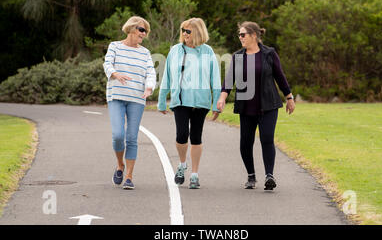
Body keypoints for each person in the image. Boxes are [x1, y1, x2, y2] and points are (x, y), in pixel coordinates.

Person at [217, 21, 295, 191]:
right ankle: (251, 176)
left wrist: (289, 97)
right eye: (239, 35)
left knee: (267, 138)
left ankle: (269, 175)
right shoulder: (238, 56)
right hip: (246, 107)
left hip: (268, 105)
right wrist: (222, 98)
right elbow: (229, 81)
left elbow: (280, 76)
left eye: (243, 34)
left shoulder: (269, 54)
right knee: (245, 142)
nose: (240, 38)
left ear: (254, 35)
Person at [158, 17, 221, 189]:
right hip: (180, 100)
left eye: (188, 31)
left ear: (198, 32)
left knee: (196, 137)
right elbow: (167, 77)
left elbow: (215, 79)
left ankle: (194, 174)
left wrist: (216, 104)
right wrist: (162, 100)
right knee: (181, 135)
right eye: (183, 30)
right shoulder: (175, 51)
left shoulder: (208, 52)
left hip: (201, 101)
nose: (184, 34)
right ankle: (182, 163)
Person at [103, 16, 156, 190]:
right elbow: (107, 64)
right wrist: (115, 74)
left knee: (132, 138)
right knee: (118, 135)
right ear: (131, 29)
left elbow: (150, 72)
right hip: (116, 96)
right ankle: (120, 165)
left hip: (137, 99)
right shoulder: (115, 46)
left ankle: (129, 177)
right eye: (141, 29)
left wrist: (149, 87)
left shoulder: (145, 52)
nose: (143, 33)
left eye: (145, 31)